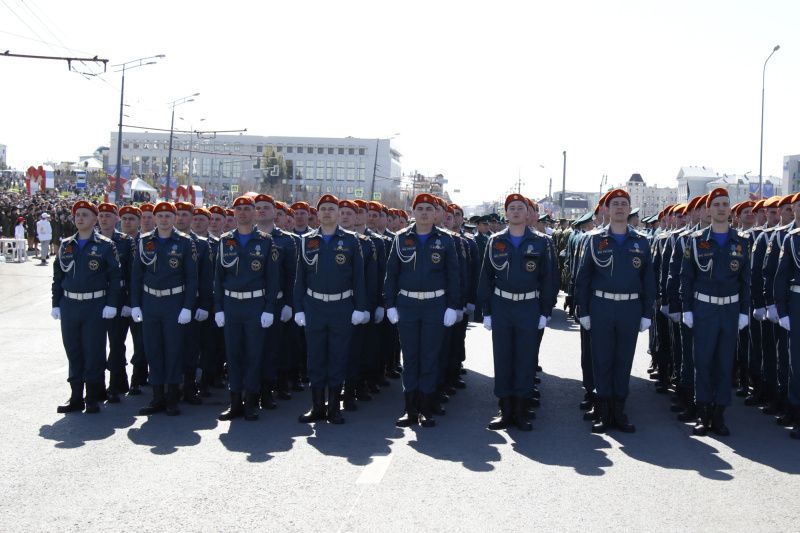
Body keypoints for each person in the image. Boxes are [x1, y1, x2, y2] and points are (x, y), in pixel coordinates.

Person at [575, 189, 656, 433]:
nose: (620, 208)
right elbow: (584, 278)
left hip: (630, 307)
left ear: (629, 209)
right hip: (601, 306)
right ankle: (601, 411)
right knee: (601, 359)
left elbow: (648, 280)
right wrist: (584, 311)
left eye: (624, 204)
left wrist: (646, 313)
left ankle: (618, 411)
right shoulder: (594, 239)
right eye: (615, 204)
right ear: (607, 210)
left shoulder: (641, 241)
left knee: (623, 360)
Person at [384, 193, 461, 428]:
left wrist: (452, 307)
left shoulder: (446, 240)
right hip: (407, 304)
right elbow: (392, 274)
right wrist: (389, 304)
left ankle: (426, 409)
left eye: (429, 208)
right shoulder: (400, 239)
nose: (425, 213)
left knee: (429, 357)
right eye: (420, 209)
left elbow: (453, 276)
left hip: (435, 305)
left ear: (436, 213)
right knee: (411, 357)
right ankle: (409, 409)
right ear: (413, 212)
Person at [479, 194, 554, 431]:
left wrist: (545, 310)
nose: (516, 212)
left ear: (528, 213)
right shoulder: (495, 241)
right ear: (506, 213)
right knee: (503, 357)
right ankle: (505, 408)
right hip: (502, 306)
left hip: (529, 306)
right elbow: (486, 277)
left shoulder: (543, 242)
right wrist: (487, 311)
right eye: (511, 208)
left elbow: (549, 279)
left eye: (520, 208)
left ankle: (522, 409)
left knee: (525, 358)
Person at [680, 188, 751, 436]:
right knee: (703, 361)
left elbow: (746, 281)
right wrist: (687, 308)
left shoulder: (741, 241)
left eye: (725, 204)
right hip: (704, 308)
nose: (722, 208)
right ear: (708, 210)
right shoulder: (697, 240)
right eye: (717, 204)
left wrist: (744, 311)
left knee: (724, 362)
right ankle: (703, 413)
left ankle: (719, 414)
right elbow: (686, 277)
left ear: (730, 209)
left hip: (730, 309)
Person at [293, 194, 367, 424]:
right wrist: (298, 308)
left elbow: (358, 279)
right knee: (315, 357)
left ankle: (334, 407)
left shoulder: (352, 240)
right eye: (323, 208)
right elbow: (300, 279)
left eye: (331, 209)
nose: (327, 212)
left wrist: (359, 308)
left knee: (337, 356)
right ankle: (317, 407)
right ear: (318, 213)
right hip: (313, 306)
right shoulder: (307, 240)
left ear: (339, 214)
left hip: (341, 306)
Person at [51, 201, 122, 414]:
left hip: (95, 304)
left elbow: (115, 277)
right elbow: (57, 277)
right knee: (73, 350)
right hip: (70, 304)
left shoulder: (105, 245)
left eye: (85, 215)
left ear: (94, 219)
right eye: (77, 215)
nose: (80, 218)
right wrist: (55, 303)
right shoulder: (66, 245)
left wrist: (111, 304)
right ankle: (75, 397)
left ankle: (92, 397)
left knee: (93, 351)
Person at [214, 196, 280, 421]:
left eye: (247, 209)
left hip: (255, 305)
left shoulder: (265, 241)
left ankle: (251, 402)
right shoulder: (225, 241)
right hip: (231, 304)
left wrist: (269, 307)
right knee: (233, 355)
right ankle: (235, 402)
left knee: (254, 354)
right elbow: (218, 278)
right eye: (238, 209)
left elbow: (273, 279)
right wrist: (218, 308)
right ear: (233, 213)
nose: (242, 213)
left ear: (255, 213)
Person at [131, 202, 198, 417]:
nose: (163, 219)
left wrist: (187, 306)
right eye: (159, 215)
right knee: (153, 350)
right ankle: (157, 396)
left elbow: (191, 277)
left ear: (175, 217)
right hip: (150, 302)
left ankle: (171, 397)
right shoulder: (144, 242)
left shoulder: (185, 243)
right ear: (154, 218)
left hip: (174, 302)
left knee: (173, 350)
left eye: (168, 215)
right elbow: (136, 276)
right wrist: (135, 304)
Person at [96, 202, 136, 403]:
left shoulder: (125, 242)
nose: (104, 219)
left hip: (119, 296)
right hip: (96, 297)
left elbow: (133, 276)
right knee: (95, 344)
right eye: (101, 216)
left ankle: (115, 384)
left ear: (115, 219)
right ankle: (98, 385)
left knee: (116, 343)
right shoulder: (91, 240)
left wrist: (129, 301)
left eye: (108, 216)